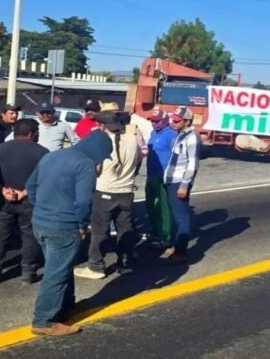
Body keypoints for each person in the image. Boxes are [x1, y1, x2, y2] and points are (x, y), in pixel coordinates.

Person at [26, 131, 112, 337]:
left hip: (40, 222)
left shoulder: (51, 156)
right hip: (64, 225)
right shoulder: (85, 164)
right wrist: (82, 224)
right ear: (99, 151)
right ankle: (44, 320)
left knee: (61, 266)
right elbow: (84, 201)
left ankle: (65, 307)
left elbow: (30, 186)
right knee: (56, 272)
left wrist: (41, 209)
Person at [74, 111, 143, 279]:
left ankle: (96, 266)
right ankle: (124, 263)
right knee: (125, 230)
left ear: (101, 126)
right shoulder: (132, 139)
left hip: (104, 190)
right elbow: (139, 160)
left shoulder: (102, 143)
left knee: (100, 231)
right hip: (126, 191)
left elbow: (96, 169)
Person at [0, 118, 49, 285]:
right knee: (29, 235)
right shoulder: (42, 152)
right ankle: (28, 272)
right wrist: (24, 192)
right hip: (29, 200)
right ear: (31, 133)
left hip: (2, 200)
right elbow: (46, 178)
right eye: (37, 132)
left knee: (0, 235)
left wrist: (3, 190)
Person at [161, 106, 202, 264]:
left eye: (177, 121)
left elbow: (193, 164)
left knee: (181, 217)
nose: (173, 123)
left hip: (179, 181)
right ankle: (175, 245)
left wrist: (184, 185)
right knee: (174, 215)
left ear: (187, 121)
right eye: (173, 120)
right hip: (171, 179)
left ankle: (181, 252)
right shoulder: (179, 135)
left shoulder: (192, 138)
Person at [145, 110, 177, 249]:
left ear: (165, 121)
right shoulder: (153, 133)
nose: (154, 123)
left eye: (157, 121)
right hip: (151, 174)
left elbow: (176, 156)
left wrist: (170, 175)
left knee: (164, 206)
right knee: (150, 205)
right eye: (152, 120)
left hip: (163, 176)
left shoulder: (171, 135)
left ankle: (166, 235)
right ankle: (155, 230)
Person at [0, 104, 21, 226]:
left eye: (16, 113)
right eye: (11, 113)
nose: (14, 116)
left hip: (13, 165)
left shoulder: (15, 127)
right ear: (3, 114)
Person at [7, 102, 79, 152]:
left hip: (53, 160)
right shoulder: (30, 124)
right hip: (34, 158)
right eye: (42, 113)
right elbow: (9, 139)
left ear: (53, 112)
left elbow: (76, 141)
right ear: (37, 113)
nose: (45, 115)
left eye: (48, 112)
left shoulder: (63, 125)